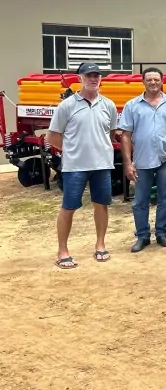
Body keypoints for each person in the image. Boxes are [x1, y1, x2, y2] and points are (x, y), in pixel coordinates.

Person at [47, 63, 119, 268]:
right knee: (68, 207)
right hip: (75, 166)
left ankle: (100, 245)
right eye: (89, 75)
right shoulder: (67, 106)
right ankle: (62, 251)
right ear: (80, 78)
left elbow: (110, 134)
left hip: (102, 165)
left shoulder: (109, 105)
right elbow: (52, 136)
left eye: (96, 75)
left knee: (101, 204)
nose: (93, 79)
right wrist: (72, 150)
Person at [119, 67, 166, 252]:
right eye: (149, 80)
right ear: (143, 82)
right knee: (140, 200)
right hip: (142, 160)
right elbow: (125, 136)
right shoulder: (132, 105)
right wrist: (128, 163)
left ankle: (161, 233)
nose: (153, 83)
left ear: (162, 82)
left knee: (165, 198)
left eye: (156, 80)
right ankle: (143, 236)